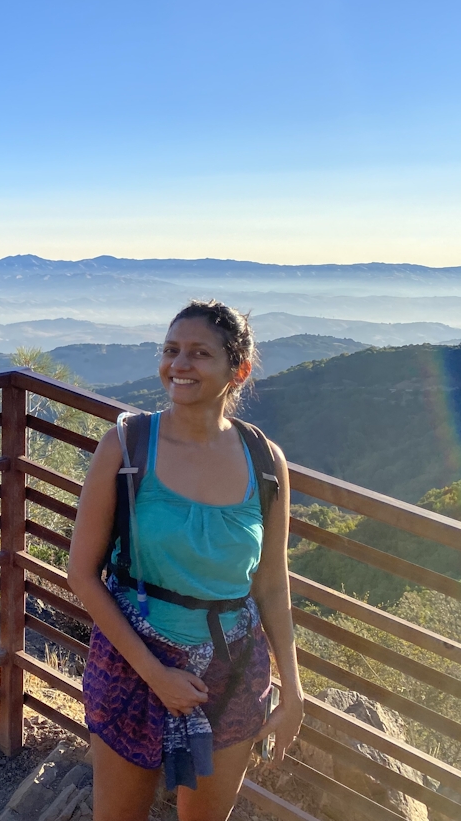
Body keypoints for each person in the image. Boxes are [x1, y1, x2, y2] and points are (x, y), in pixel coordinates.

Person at [67, 300, 304, 821]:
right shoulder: (127, 447)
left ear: (237, 370)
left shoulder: (265, 462)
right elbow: (82, 574)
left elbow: (271, 584)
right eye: (171, 350)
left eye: (199, 353)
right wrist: (156, 674)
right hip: (132, 664)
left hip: (234, 667)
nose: (179, 365)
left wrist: (293, 688)